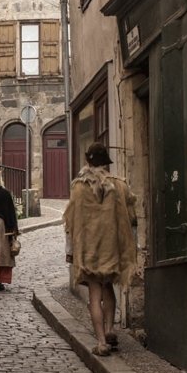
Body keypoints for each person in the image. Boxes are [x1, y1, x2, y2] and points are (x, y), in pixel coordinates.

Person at [63, 142, 138, 356]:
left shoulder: (79, 186)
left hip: (89, 250)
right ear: (106, 162)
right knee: (109, 289)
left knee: (94, 295)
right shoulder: (120, 185)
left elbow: (70, 221)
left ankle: (102, 341)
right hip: (112, 248)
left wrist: (70, 250)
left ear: (88, 161)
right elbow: (132, 217)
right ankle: (110, 328)